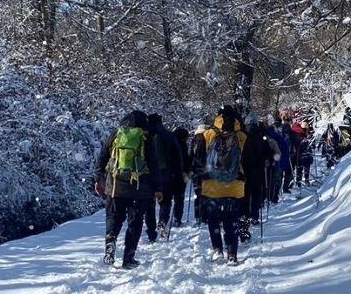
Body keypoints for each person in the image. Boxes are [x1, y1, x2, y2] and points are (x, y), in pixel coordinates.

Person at [93, 110, 164, 269]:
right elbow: (153, 164)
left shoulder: (116, 136)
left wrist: (99, 179)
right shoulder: (146, 139)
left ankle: (110, 245)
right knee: (135, 222)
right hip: (140, 188)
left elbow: (102, 158)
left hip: (115, 187)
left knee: (113, 218)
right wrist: (158, 188)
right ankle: (129, 258)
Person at [193, 106, 250, 265]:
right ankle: (232, 253)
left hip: (211, 186)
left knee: (213, 220)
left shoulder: (207, 135)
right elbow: (250, 163)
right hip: (234, 186)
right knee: (231, 221)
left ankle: (217, 250)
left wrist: (199, 182)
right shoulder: (242, 137)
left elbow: (198, 160)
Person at [146, 113, 185, 241]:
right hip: (166, 175)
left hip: (148, 176)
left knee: (149, 204)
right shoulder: (169, 135)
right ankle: (162, 223)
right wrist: (179, 175)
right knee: (165, 202)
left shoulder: (144, 135)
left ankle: (151, 231)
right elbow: (177, 157)